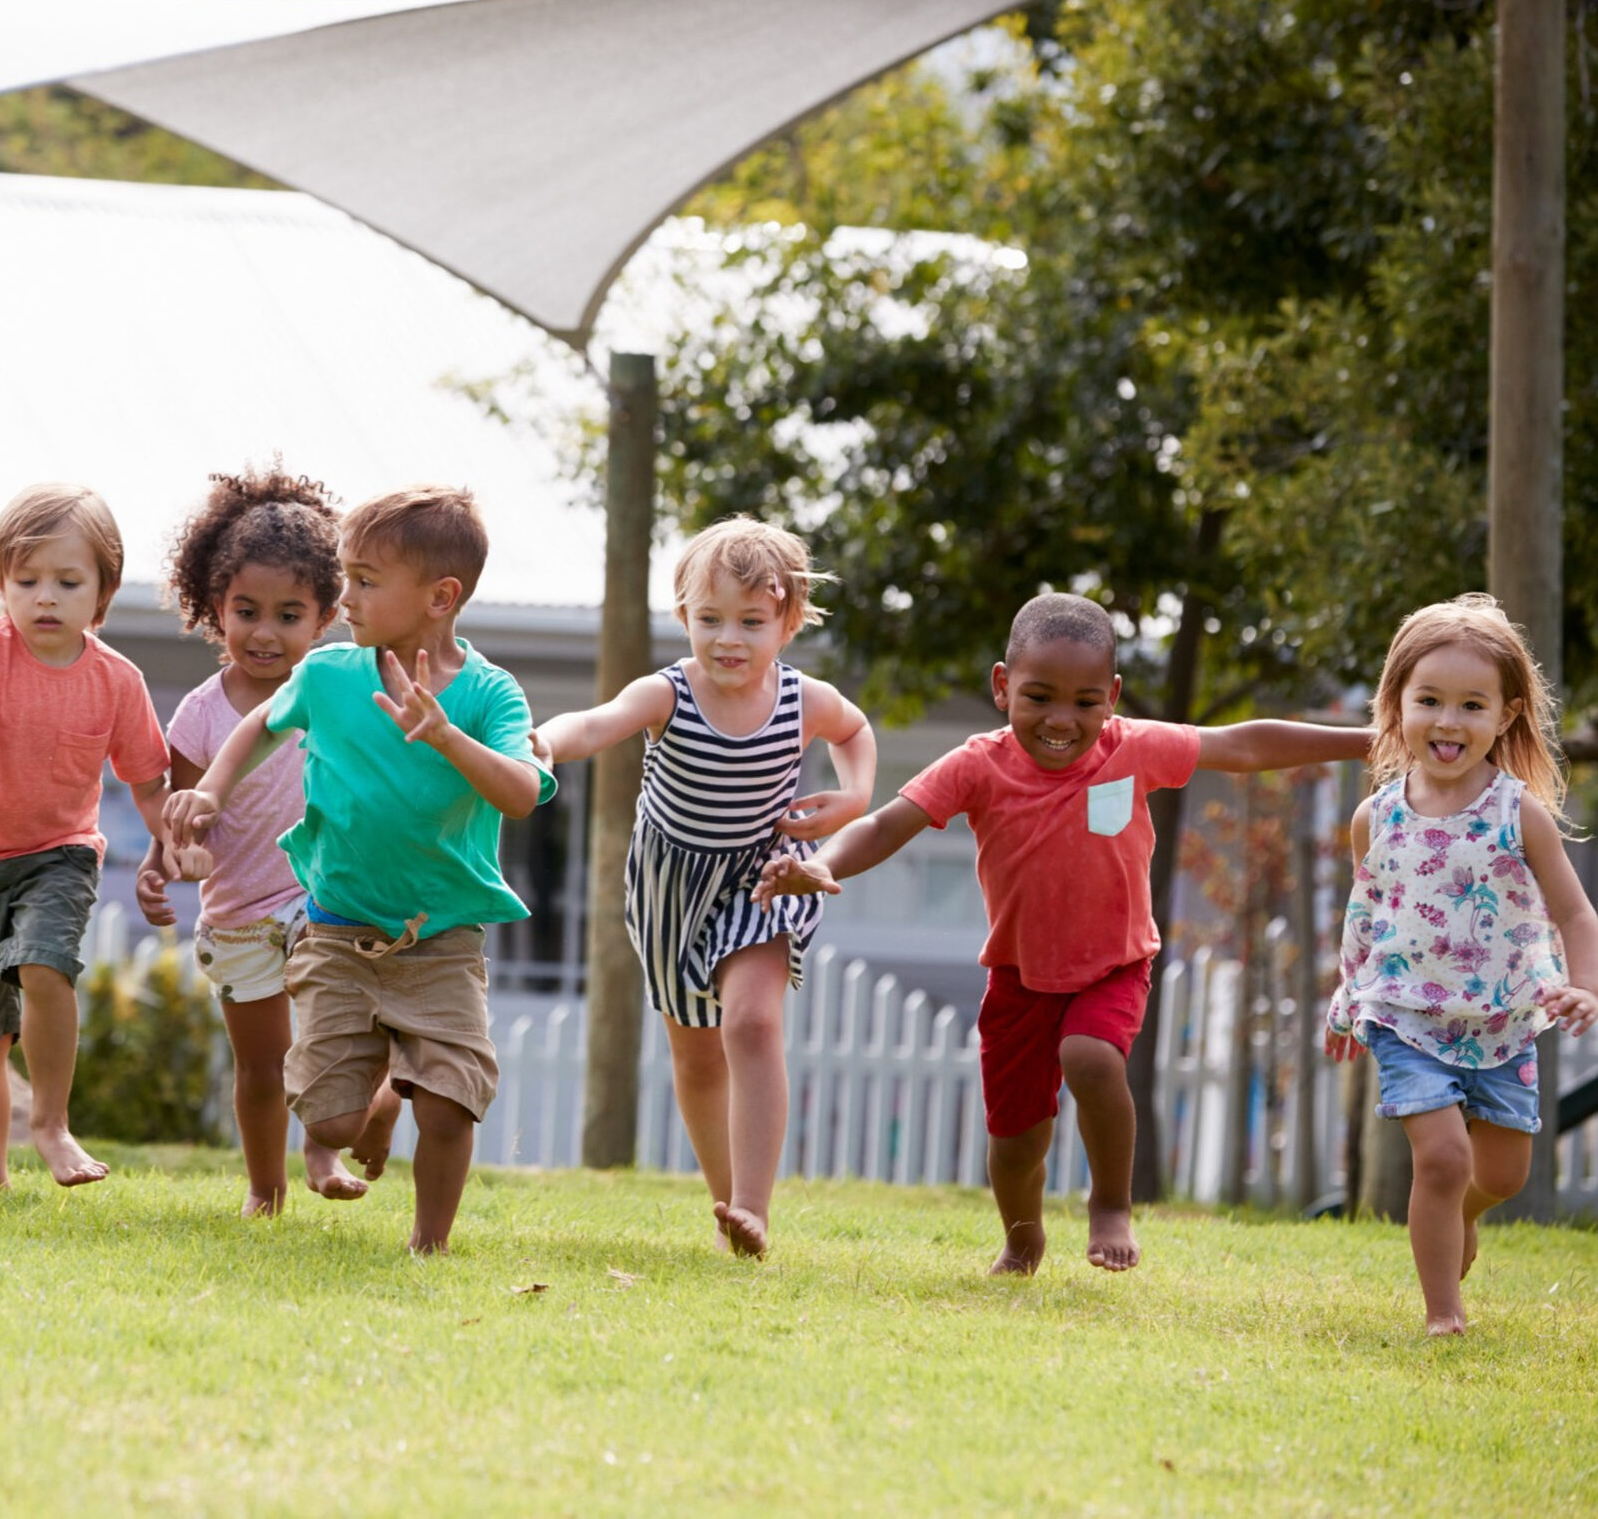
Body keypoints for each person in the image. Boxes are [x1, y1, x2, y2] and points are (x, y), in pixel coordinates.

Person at [761, 591, 1371, 1274]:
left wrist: (1370, 739)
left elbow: (1243, 743)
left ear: (1111, 695)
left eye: (1084, 702)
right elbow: (885, 824)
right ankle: (1022, 1241)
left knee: (1089, 1055)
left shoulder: (1133, 748)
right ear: (1002, 686)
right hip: (1018, 976)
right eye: (1039, 697)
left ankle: (1109, 1203)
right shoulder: (976, 764)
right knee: (1017, 1142)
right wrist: (820, 862)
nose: (1061, 720)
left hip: (1114, 963)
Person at [164, 486, 552, 1253]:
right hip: (337, 930)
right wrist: (209, 789)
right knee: (331, 1122)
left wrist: (446, 739)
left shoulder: (487, 694)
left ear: (441, 597)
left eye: (366, 581)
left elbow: (520, 793)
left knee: (449, 1105)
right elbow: (254, 727)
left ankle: (428, 1244)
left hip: (438, 936)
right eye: (346, 577)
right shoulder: (330, 675)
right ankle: (381, 1094)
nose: (346, 598)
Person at [531, 517, 874, 1258]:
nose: (728, 639)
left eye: (751, 621)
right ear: (683, 616)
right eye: (709, 619)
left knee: (750, 1023)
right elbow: (597, 722)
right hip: (670, 884)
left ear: (785, 623)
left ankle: (754, 1207)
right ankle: (727, 1205)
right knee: (694, 1056)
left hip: (762, 874)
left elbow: (854, 733)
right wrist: (545, 744)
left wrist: (854, 798)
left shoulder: (802, 698)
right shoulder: (668, 692)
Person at [1324, 594, 1598, 1335]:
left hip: (1502, 1017)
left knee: (1499, 1175)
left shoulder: (1519, 813)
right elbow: (1366, 918)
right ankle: (1443, 1314)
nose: (1447, 723)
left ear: (1505, 715)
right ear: (1397, 704)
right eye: (1429, 701)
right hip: (1404, 1014)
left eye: (1470, 705)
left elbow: (1576, 912)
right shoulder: (1374, 818)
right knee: (1441, 1160)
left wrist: (1582, 985)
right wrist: (1348, 1001)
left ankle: (1457, 1215)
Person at [0, 483, 173, 1190]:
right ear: (1, 585)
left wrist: (170, 846)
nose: (44, 597)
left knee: (45, 964)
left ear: (101, 596)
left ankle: (50, 1124)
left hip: (59, 853)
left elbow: (147, 784)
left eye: (66, 581)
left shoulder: (117, 680)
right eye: (26, 580)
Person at [138, 467, 373, 1215]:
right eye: (246, 611)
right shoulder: (199, 717)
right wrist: (163, 864)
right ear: (215, 608)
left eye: (288, 615)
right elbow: (179, 819)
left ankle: (322, 1148)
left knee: (339, 1038)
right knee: (261, 1065)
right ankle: (263, 1191)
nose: (264, 633)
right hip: (237, 910)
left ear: (326, 616)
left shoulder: (336, 695)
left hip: (321, 897)